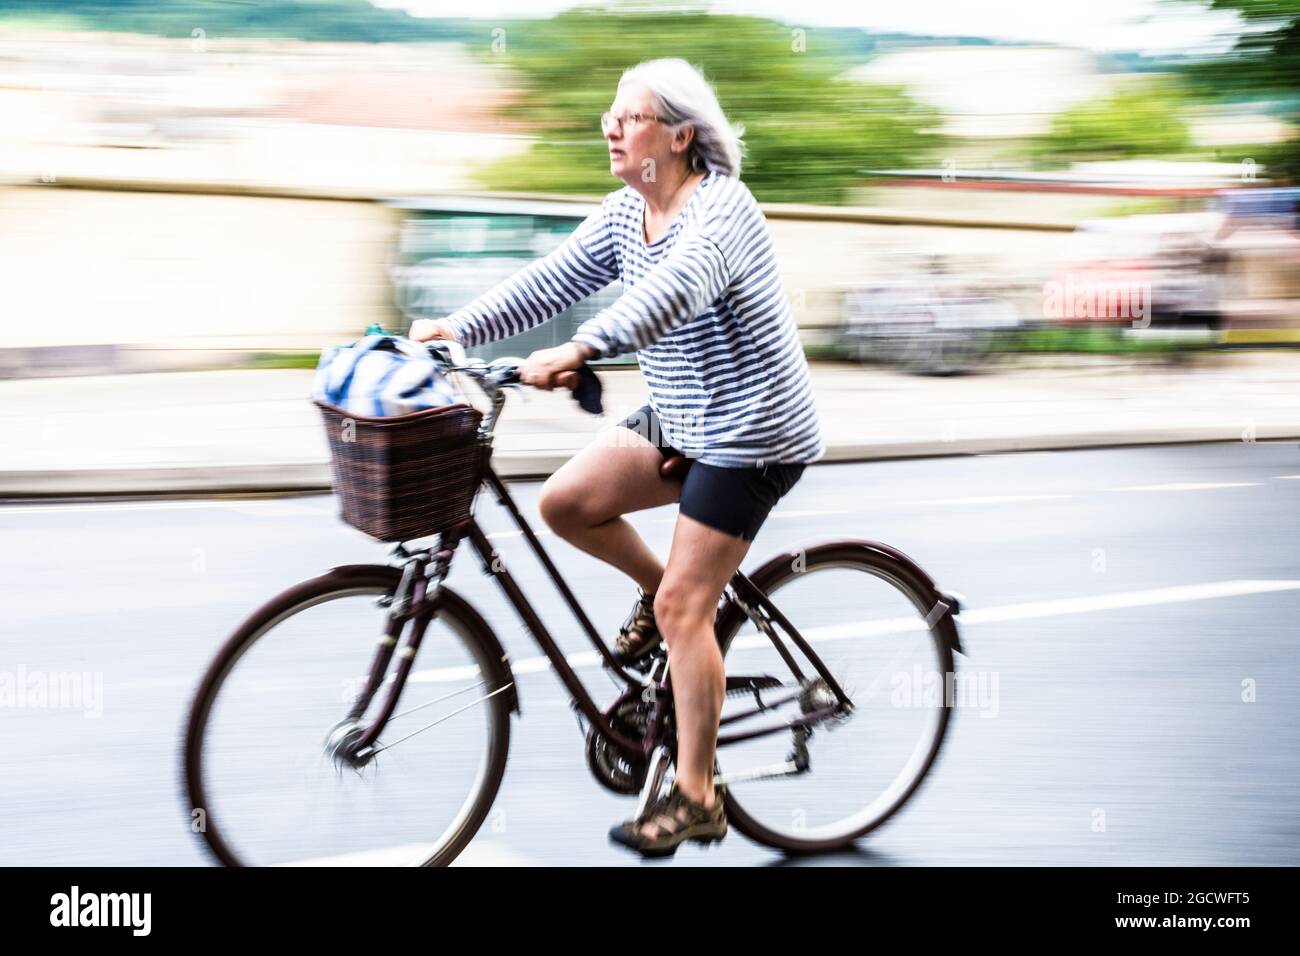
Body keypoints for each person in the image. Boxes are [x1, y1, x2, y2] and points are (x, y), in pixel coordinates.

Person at [410, 57, 824, 856]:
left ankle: (698, 795)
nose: (610, 125)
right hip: (682, 414)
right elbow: (550, 281)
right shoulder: (620, 214)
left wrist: (585, 346)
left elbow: (677, 288)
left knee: (683, 609)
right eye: (611, 112)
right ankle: (665, 600)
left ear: (679, 136)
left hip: (751, 429)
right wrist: (455, 329)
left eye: (629, 116)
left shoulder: (722, 211)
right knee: (567, 503)